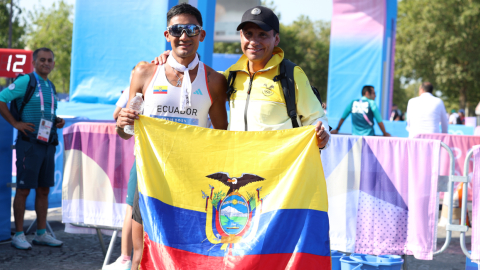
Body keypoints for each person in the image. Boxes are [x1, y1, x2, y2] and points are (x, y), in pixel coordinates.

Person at [115, 3, 228, 269]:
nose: (184, 36)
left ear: (201, 35)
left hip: (191, 177)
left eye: (191, 29)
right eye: (177, 29)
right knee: (141, 251)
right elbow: (125, 132)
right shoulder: (144, 72)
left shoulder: (214, 80)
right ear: (167, 35)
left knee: (187, 249)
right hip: (149, 173)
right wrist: (122, 122)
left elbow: (221, 136)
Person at [155, 6, 330, 148]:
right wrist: (171, 60)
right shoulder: (230, 75)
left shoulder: (291, 74)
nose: (254, 41)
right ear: (241, 37)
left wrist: (322, 137)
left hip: (280, 174)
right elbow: (195, 76)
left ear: (276, 39)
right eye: (248, 34)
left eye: (263, 35)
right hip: (239, 168)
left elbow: (316, 119)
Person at [0, 48, 65, 250]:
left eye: (50, 60)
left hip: (47, 143)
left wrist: (57, 121)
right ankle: (19, 235)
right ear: (34, 62)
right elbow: (1, 99)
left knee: (44, 190)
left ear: (54, 64)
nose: (46, 63)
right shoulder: (25, 81)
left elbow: (46, 112)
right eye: (42, 60)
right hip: (28, 144)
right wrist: (16, 124)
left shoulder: (51, 85)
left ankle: (41, 234)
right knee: (23, 189)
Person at [104, 61, 148, 269]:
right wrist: (128, 117)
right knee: (132, 207)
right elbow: (117, 117)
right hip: (143, 158)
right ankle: (125, 258)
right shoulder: (139, 84)